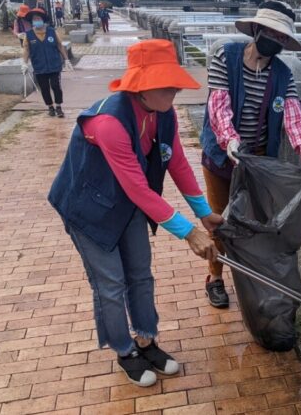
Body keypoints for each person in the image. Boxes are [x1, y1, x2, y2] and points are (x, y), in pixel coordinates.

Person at [48, 39, 223, 388]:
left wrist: (204, 213)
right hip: (88, 208)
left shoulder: (164, 113)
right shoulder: (109, 122)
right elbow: (139, 189)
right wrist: (188, 233)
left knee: (141, 274)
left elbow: (175, 161)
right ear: (141, 86)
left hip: (126, 206)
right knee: (111, 283)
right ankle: (125, 349)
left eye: (175, 82)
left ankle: (146, 338)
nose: (174, 90)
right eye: (166, 84)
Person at [199, 0, 301, 308]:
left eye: (282, 38)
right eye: (272, 33)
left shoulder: (283, 75)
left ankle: (253, 281)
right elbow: (219, 107)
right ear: (257, 29)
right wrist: (229, 140)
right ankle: (214, 278)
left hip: (258, 162)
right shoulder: (225, 58)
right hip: (220, 158)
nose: (276, 41)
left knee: (253, 223)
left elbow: (294, 120)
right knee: (220, 221)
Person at [21, 8, 73, 117]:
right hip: (39, 66)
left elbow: (60, 46)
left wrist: (66, 60)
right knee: (44, 88)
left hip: (54, 65)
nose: (36, 21)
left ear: (43, 19)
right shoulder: (29, 35)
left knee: (55, 86)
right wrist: (24, 63)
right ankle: (50, 107)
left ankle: (58, 106)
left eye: (38, 18)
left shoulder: (52, 32)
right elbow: (26, 49)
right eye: (34, 19)